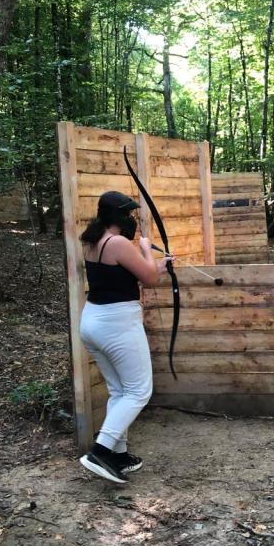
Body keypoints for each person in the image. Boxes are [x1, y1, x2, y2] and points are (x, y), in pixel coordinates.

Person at [78, 191, 172, 484]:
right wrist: (146, 248)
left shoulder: (95, 242)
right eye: (128, 214)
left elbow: (137, 274)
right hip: (117, 325)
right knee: (138, 391)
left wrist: (158, 263)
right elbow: (150, 279)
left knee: (119, 391)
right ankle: (101, 451)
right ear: (117, 216)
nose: (131, 220)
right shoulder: (117, 242)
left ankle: (117, 455)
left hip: (93, 322)